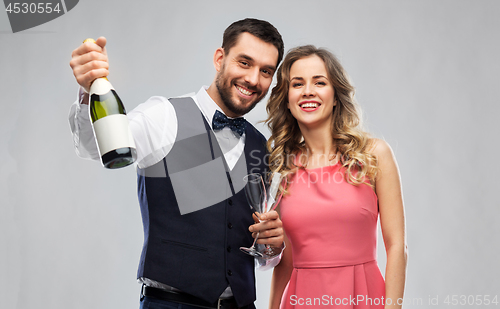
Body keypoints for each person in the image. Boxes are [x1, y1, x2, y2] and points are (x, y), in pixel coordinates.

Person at [68, 18, 285, 309]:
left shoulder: (262, 147)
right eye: (244, 63)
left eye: (265, 71)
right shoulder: (165, 116)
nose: (253, 79)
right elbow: (94, 146)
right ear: (220, 58)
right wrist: (88, 90)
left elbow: (257, 249)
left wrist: (272, 246)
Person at [265, 45, 408, 309]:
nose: (308, 90)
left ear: (335, 96)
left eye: (319, 82)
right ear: (287, 99)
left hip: (362, 297)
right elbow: (286, 261)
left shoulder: (374, 154)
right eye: (297, 84)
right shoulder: (281, 168)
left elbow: (397, 246)